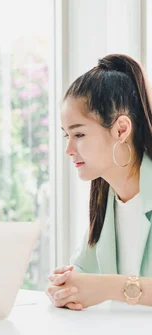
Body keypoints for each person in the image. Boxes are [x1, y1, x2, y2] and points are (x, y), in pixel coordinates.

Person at [48, 54, 152, 310]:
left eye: (79, 134)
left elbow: (100, 285)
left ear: (121, 130)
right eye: (66, 136)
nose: (69, 149)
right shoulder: (106, 202)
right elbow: (84, 274)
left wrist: (107, 287)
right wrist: (65, 286)